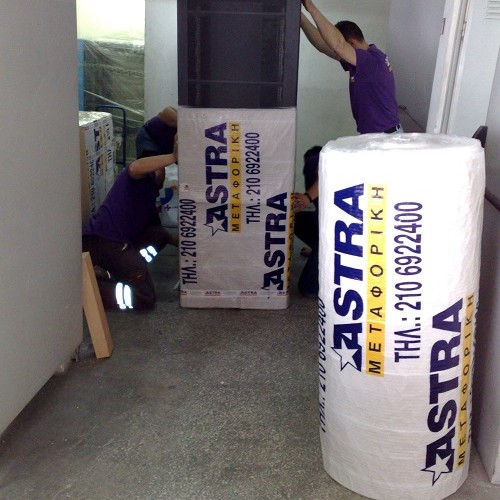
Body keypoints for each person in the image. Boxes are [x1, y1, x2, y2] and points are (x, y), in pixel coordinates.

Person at [82, 145, 179, 311]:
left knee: (160, 235)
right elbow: (135, 168)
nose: (160, 172)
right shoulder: (137, 180)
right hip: (104, 242)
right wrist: (173, 157)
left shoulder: (151, 194)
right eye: (158, 168)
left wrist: (189, 245)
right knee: (145, 297)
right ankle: (88, 289)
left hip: (120, 242)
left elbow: (162, 234)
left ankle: (120, 270)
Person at [300, 0, 401, 134]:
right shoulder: (360, 60)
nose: (336, 56)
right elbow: (323, 46)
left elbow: (339, 46)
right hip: (376, 135)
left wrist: (310, 6)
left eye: (338, 52)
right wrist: (298, 15)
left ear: (351, 43)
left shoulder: (371, 62)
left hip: (386, 137)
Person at [293, 146, 322, 298]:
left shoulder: (314, 160)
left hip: (340, 233)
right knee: (297, 219)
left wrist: (308, 196)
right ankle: (318, 249)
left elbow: (321, 168)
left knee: (309, 288)